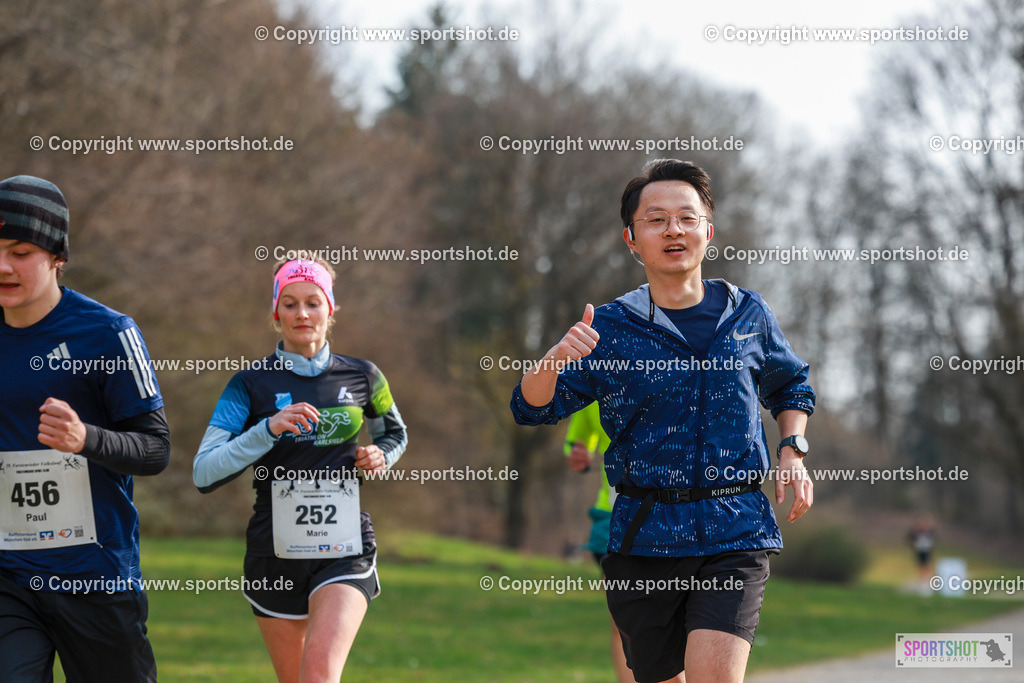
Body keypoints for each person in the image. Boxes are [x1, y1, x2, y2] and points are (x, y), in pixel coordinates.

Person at [511, 159, 815, 683]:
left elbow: (791, 386)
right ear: (632, 239)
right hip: (644, 538)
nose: (673, 228)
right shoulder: (609, 328)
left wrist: (793, 450)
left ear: (708, 232)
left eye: (686, 217)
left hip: (734, 526)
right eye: (656, 219)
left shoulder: (749, 315)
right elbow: (531, 407)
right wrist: (557, 357)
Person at [193, 257, 408, 682]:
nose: (302, 314)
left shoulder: (364, 375)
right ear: (276, 313)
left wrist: (380, 456)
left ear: (331, 308)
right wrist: (267, 429)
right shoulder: (249, 384)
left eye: (313, 302)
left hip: (344, 548)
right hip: (274, 553)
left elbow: (395, 435)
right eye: (289, 304)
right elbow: (204, 472)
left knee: (319, 675)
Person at [0, 175, 170, 682]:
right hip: (9, 576)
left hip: (93, 577)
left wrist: (85, 439)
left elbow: (156, 448)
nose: (3, 266)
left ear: (57, 255)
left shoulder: (108, 334)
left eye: (21, 250)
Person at [565, 401, 631, 683]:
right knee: (624, 623)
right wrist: (577, 455)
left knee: (676, 619)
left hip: (674, 514)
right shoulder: (594, 379)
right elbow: (577, 442)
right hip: (611, 516)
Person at [907, 517, 935, 582]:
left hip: (927, 550)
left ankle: (927, 578)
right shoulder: (915, 533)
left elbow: (933, 540)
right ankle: (922, 578)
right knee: (920, 564)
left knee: (926, 564)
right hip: (919, 550)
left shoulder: (929, 532)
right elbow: (910, 539)